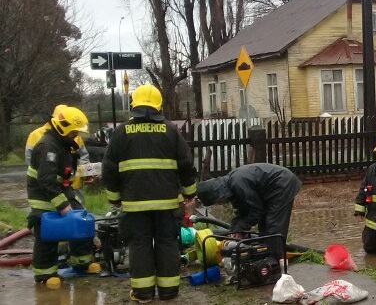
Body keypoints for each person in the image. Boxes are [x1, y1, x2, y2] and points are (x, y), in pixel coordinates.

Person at [102, 84, 197, 303]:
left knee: (140, 244)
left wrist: (114, 198)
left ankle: (143, 294)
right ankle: (169, 292)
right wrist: (189, 193)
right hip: (167, 204)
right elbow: (185, 165)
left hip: (134, 205)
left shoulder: (121, 132)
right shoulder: (171, 131)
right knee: (167, 244)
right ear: (158, 105)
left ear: (134, 104)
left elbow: (109, 168)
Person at [27, 106, 99, 287]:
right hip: (44, 197)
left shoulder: (63, 144)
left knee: (80, 220)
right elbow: (47, 180)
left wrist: (85, 175)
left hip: (62, 191)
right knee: (47, 235)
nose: (76, 135)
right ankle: (45, 275)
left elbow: (65, 173)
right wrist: (63, 206)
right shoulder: (47, 147)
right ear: (63, 128)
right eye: (74, 131)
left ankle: (81, 262)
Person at [195, 163, 302, 260]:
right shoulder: (230, 185)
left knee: (273, 227)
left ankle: (274, 262)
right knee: (264, 227)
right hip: (272, 187)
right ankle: (266, 256)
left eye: (217, 202)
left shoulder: (237, 184)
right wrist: (235, 230)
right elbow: (243, 210)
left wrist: (241, 229)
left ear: (217, 195)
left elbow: (256, 211)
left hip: (282, 184)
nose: (220, 204)